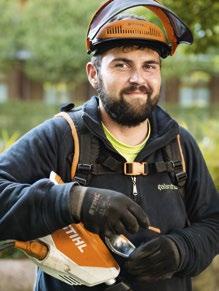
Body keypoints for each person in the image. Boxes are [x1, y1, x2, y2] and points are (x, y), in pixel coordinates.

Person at [0, 1, 219, 291]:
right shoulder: (61, 136)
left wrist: (181, 249)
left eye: (149, 66)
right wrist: (75, 201)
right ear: (93, 74)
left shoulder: (179, 144)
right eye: (121, 64)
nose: (137, 78)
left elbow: (213, 223)